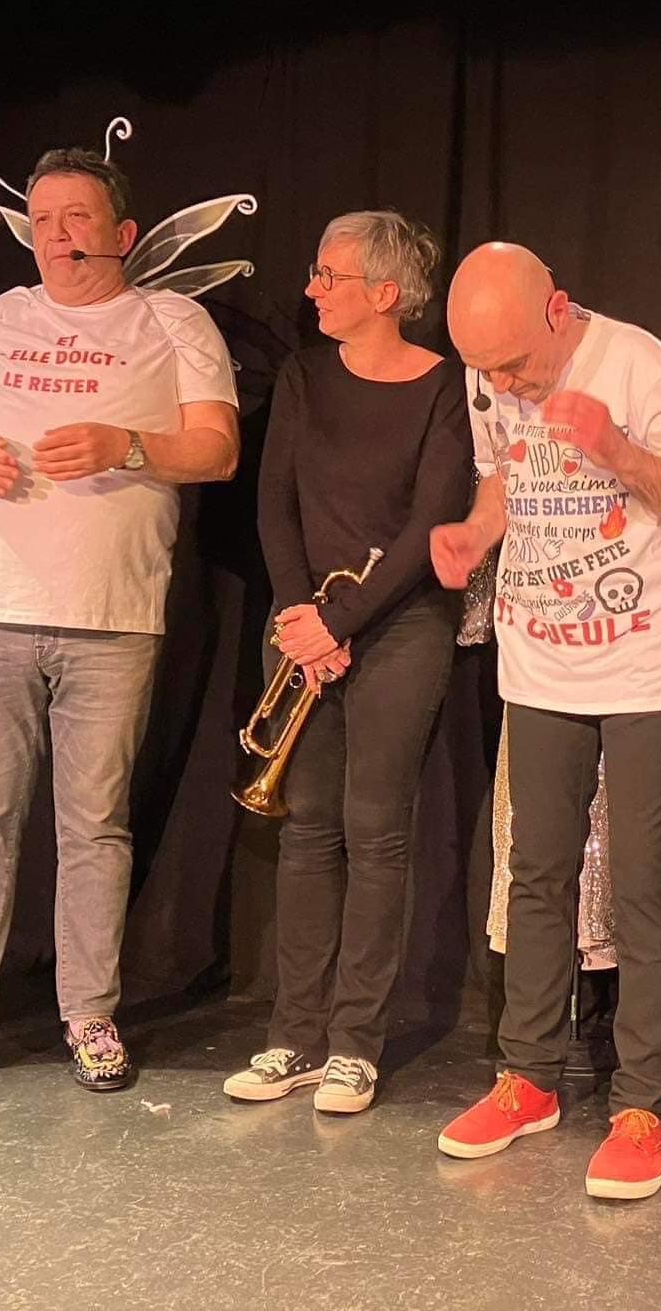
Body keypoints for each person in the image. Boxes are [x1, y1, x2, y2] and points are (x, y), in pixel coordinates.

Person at [0, 145, 239, 1095]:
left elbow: (217, 450)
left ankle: (90, 1013)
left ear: (122, 234)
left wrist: (125, 445)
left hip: (112, 615)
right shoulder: (1, 317)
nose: (57, 235)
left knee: (94, 827)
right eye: (43, 220)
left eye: (78, 217)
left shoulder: (172, 320)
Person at [428, 242, 661, 1201]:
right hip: (539, 661)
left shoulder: (635, 361)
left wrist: (618, 451)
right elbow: (501, 479)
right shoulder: (488, 376)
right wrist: (475, 534)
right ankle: (529, 1076)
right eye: (487, 370)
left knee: (641, 882)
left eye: (515, 364)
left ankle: (643, 1102)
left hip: (644, 664)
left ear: (558, 308)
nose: (504, 384)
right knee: (536, 871)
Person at [222, 210, 472, 1115]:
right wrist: (303, 616)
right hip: (305, 625)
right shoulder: (303, 377)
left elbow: (431, 521)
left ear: (386, 293)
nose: (312, 290)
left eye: (329, 276)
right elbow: (275, 505)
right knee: (307, 830)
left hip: (398, 626)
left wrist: (343, 621)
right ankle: (293, 1034)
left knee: (376, 832)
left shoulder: (445, 388)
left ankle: (355, 1045)